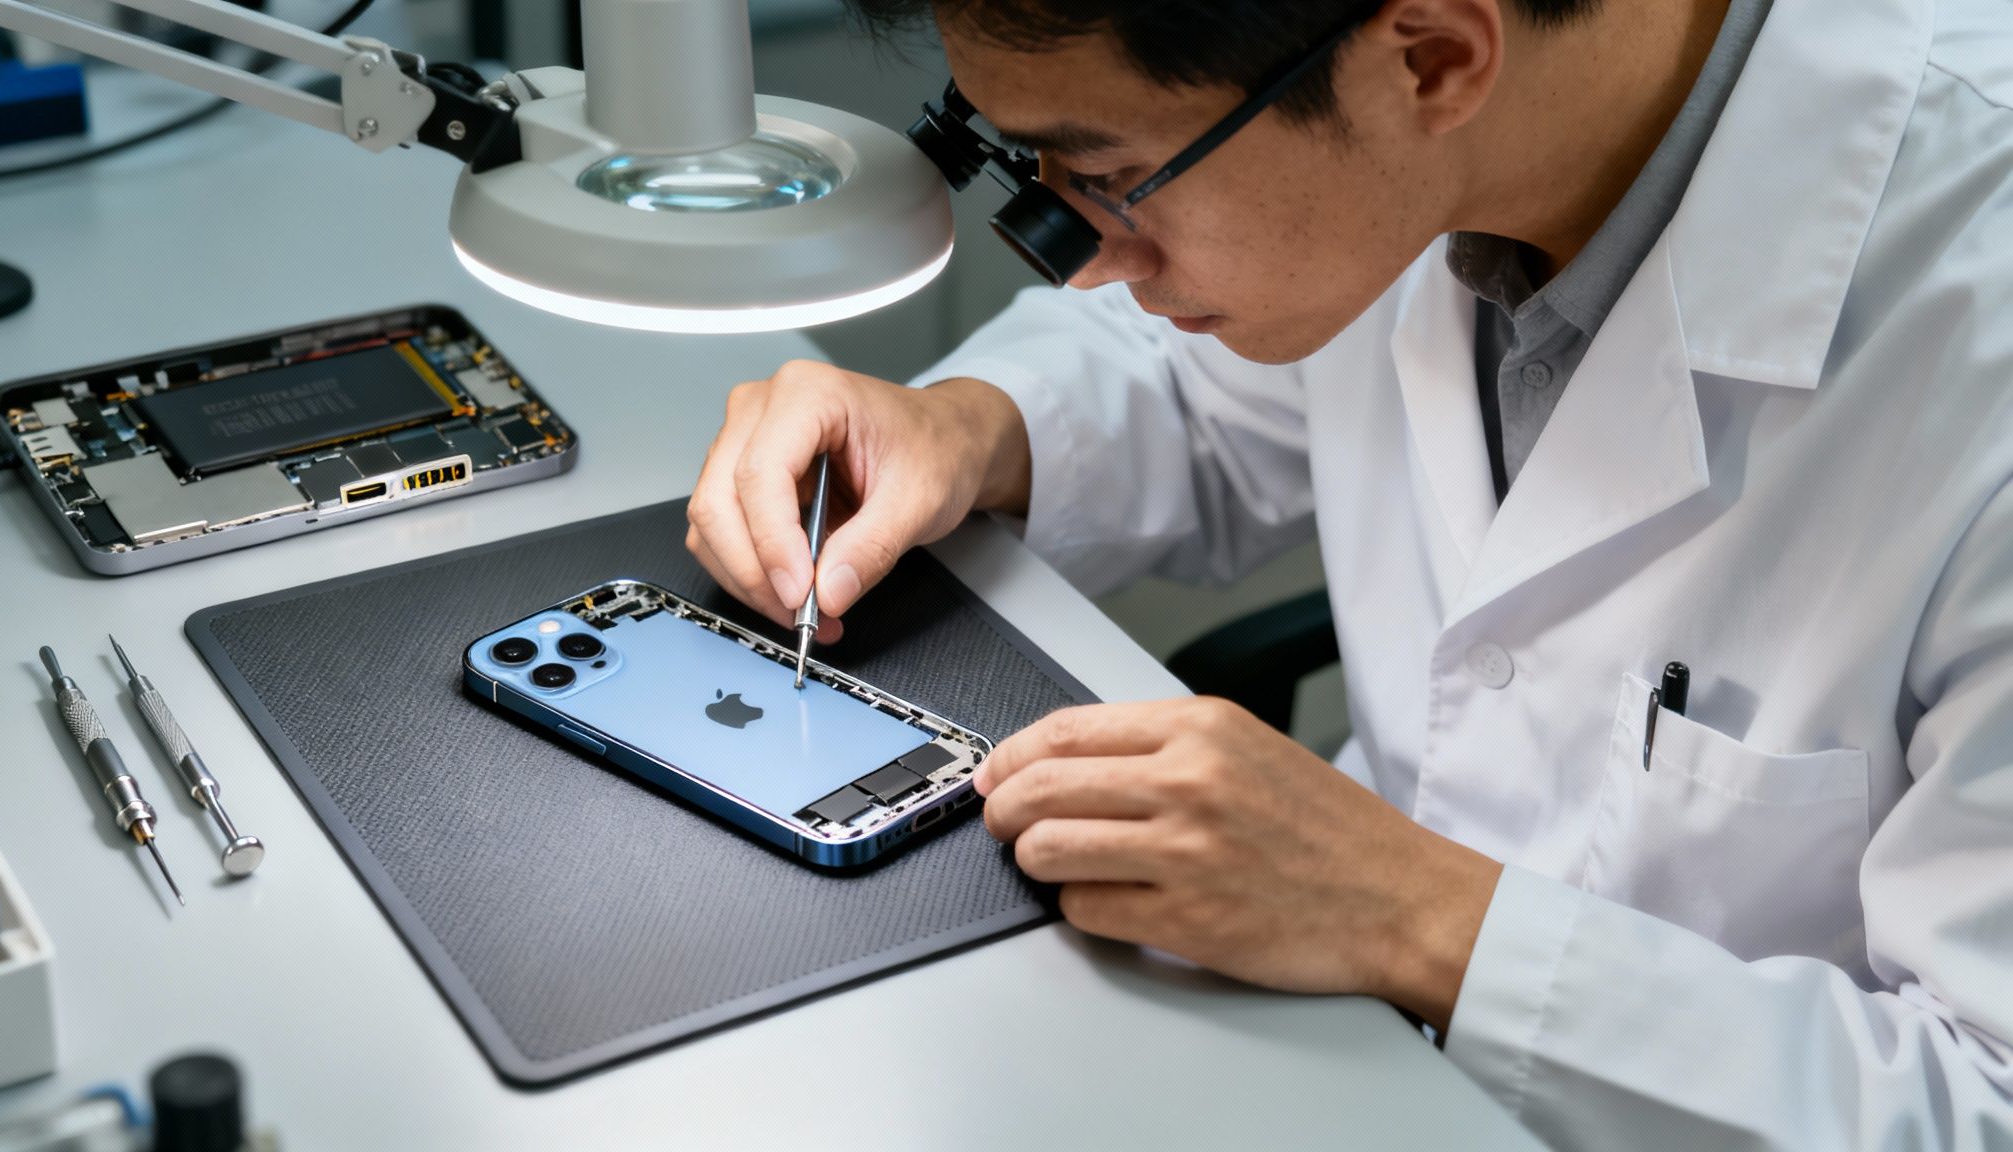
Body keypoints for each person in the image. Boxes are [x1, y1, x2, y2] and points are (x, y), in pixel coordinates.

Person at [685, 0, 2013, 1144]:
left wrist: (1415, 916)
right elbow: (1208, 388)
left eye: (1109, 176)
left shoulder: (1974, 337)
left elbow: (1980, 1104)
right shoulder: (1448, 141)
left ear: (1433, 58)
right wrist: (973, 425)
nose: (1085, 258)